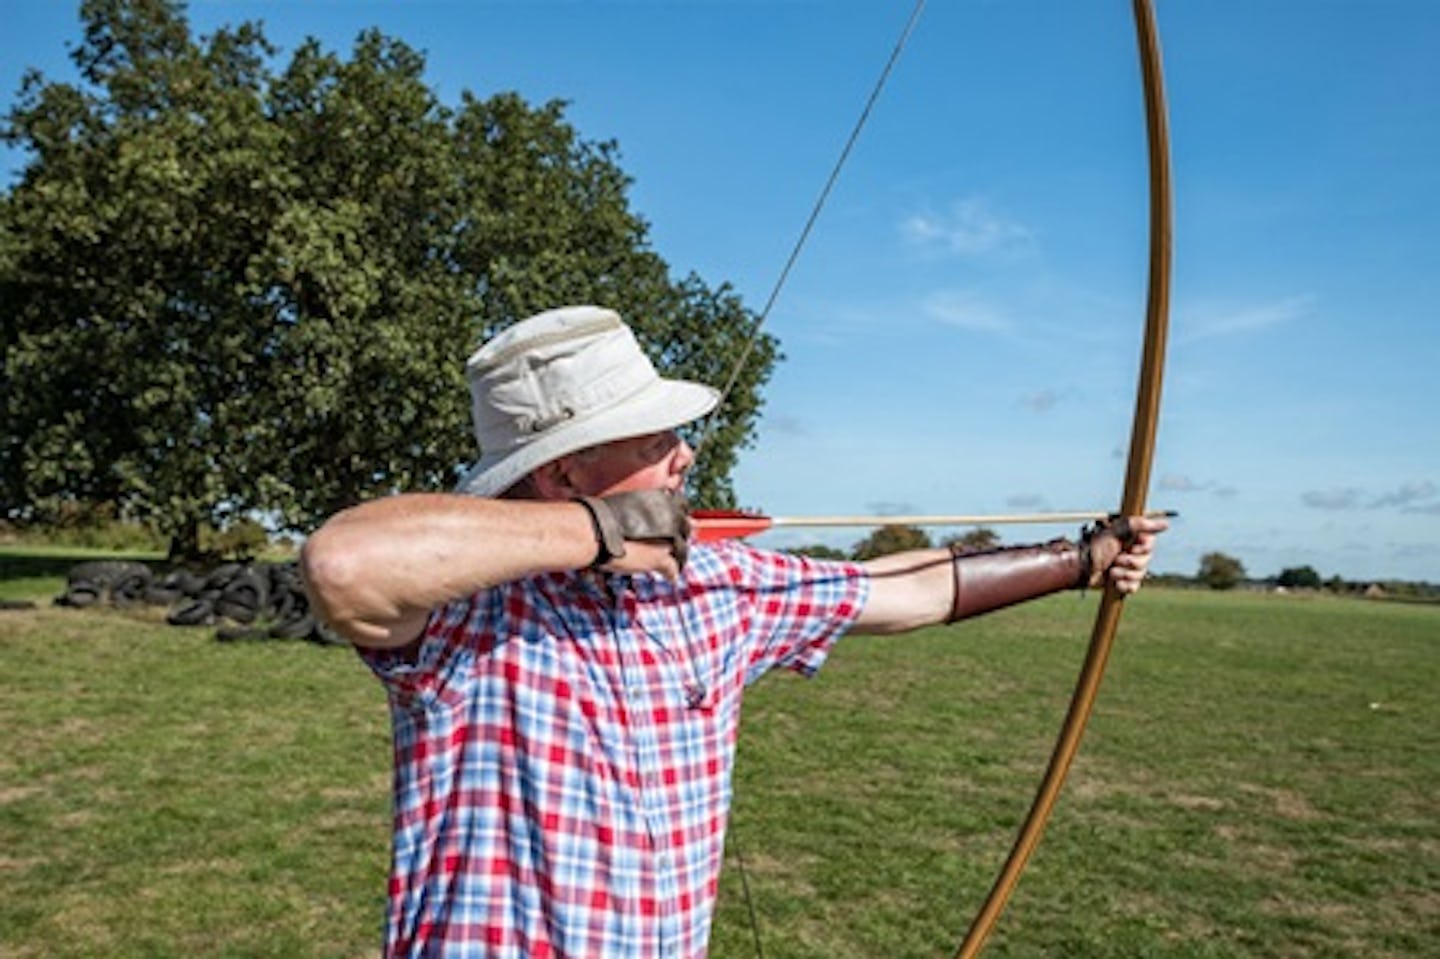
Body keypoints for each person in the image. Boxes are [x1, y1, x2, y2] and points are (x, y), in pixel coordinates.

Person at [302, 304, 1166, 958]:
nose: (685, 456)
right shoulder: (468, 609)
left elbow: (899, 591)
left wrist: (1080, 559)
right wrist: (597, 534)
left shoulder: (719, 582)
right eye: (658, 437)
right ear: (566, 469)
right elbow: (344, 564)